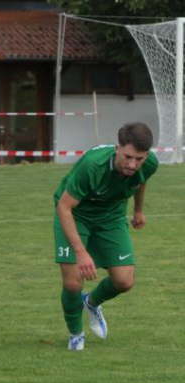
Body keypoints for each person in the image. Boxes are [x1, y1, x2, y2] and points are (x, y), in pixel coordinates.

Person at [53, 122, 158, 351]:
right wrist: (81, 253)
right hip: (75, 213)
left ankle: (91, 302)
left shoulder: (149, 164)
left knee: (124, 281)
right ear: (117, 147)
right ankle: (76, 334)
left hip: (111, 217)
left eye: (139, 159)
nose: (132, 164)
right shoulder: (93, 166)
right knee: (72, 282)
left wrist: (138, 210)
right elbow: (64, 207)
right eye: (128, 157)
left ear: (146, 155)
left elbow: (140, 180)